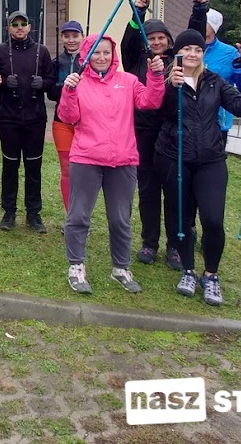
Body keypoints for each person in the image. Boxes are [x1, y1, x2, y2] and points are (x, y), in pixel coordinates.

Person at [157, 28, 241, 306]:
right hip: (176, 158)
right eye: (187, 49)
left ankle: (210, 275)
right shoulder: (167, 80)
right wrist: (170, 88)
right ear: (177, 53)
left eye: (198, 50)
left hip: (210, 159)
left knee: (213, 220)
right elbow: (161, 112)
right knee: (181, 219)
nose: (192, 54)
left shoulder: (214, 81)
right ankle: (188, 270)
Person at [58, 34, 166, 294]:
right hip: (86, 158)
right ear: (86, 55)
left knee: (120, 219)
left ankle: (121, 268)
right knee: (78, 216)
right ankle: (76, 266)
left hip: (123, 160)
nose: (102, 57)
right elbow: (68, 117)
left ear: (113, 54)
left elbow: (150, 101)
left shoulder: (128, 81)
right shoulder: (78, 82)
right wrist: (69, 91)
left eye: (106, 52)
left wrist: (155, 75)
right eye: (96, 52)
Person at [121, 0, 206, 270]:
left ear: (169, 41)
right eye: (152, 38)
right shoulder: (135, 61)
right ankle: (149, 242)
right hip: (143, 134)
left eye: (161, 38)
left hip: (171, 134)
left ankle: (175, 246)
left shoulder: (178, 63)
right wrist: (138, 13)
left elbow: (193, 38)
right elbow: (129, 39)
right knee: (147, 190)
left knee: (174, 191)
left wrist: (199, 9)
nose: (157, 42)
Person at [0, 9, 57, 233]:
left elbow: (52, 80)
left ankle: (33, 214)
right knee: (10, 165)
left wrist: (43, 83)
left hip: (35, 118)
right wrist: (3, 81)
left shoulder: (42, 51)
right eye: (14, 24)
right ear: (8, 27)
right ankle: (9, 212)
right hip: (8, 118)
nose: (19, 28)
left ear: (29, 27)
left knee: (33, 166)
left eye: (23, 24)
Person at [197, 4, 241, 144]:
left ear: (214, 27)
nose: (200, 23)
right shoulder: (186, 49)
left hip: (217, 123)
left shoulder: (230, 53)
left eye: (205, 21)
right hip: (188, 120)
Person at [51, 20, 84, 212]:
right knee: (67, 169)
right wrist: (63, 88)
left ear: (82, 37)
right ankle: (70, 214)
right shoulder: (56, 62)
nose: (71, 40)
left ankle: (82, 212)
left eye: (75, 36)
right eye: (67, 36)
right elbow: (50, 92)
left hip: (85, 122)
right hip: (61, 122)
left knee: (84, 170)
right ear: (61, 38)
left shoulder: (90, 61)